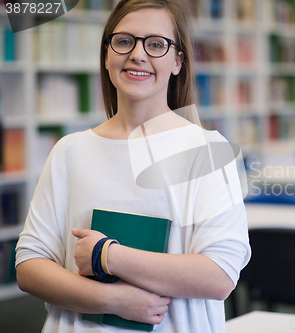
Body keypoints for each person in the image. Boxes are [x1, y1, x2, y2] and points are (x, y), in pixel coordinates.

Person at [15, 1, 251, 332]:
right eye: (124, 41)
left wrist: (107, 256)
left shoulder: (208, 151)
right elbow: (29, 266)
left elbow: (219, 277)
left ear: (177, 61)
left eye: (156, 44)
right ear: (107, 55)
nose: (138, 54)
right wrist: (110, 300)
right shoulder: (70, 151)